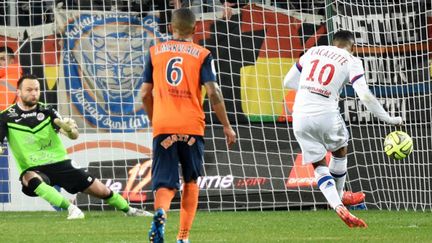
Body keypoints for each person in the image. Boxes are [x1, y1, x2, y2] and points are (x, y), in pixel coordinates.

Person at [283, 30, 402, 228]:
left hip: (300, 116)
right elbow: (365, 96)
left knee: (319, 165)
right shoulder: (351, 60)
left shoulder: (313, 51)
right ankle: (339, 196)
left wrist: (309, 89)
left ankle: (337, 205)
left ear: (332, 42)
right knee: (340, 150)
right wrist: (389, 119)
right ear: (352, 46)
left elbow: (288, 82)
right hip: (326, 113)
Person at [141, 8, 237, 243]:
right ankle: (183, 237)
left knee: (165, 180)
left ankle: (161, 212)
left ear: (171, 28)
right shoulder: (202, 54)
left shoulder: (155, 52)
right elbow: (213, 92)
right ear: (195, 28)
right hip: (192, 126)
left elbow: (144, 94)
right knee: (191, 180)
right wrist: (227, 125)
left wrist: (156, 119)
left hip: (164, 125)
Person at [0, 74, 153, 219]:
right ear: (19, 91)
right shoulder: (6, 117)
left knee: (102, 190)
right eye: (29, 90)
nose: (34, 93)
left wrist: (69, 129)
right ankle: (72, 209)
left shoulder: (48, 111)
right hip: (34, 168)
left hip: (60, 163)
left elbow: (73, 136)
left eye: (36, 89)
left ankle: (130, 210)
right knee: (29, 178)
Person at [0, 46, 22, 111]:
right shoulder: (17, 77)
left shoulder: (7, 80)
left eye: (3, 59)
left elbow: (2, 109)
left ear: (11, 61)